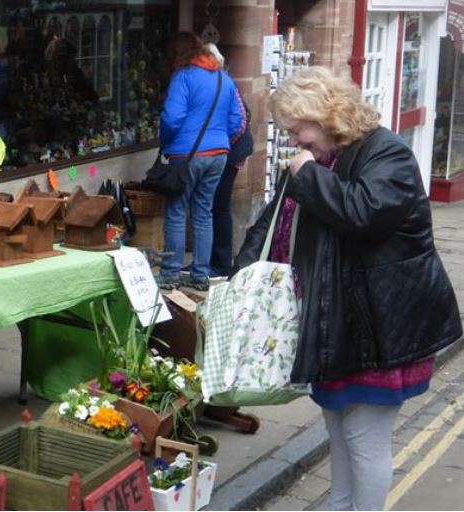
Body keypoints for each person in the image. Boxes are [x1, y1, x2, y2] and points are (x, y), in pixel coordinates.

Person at [234, 67, 462, 510]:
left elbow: (364, 213)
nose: (294, 139)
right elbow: (274, 224)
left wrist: (307, 177)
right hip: (338, 323)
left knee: (362, 436)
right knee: (338, 429)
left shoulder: (387, 155)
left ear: (323, 114)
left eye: (296, 127)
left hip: (381, 327)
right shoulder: (318, 162)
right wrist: (241, 276)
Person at [158, 32, 246, 291]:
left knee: (175, 211)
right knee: (203, 212)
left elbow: (172, 118)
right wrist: (218, 139)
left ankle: (171, 272)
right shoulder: (224, 80)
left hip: (186, 155)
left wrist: (166, 142)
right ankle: (200, 274)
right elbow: (236, 121)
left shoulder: (183, 77)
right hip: (218, 154)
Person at [203, 43, 253, 277]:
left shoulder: (223, 83)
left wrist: (217, 147)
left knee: (218, 206)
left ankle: (220, 263)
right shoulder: (217, 82)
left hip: (227, 154)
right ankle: (213, 262)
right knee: (213, 206)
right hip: (225, 152)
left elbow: (239, 122)